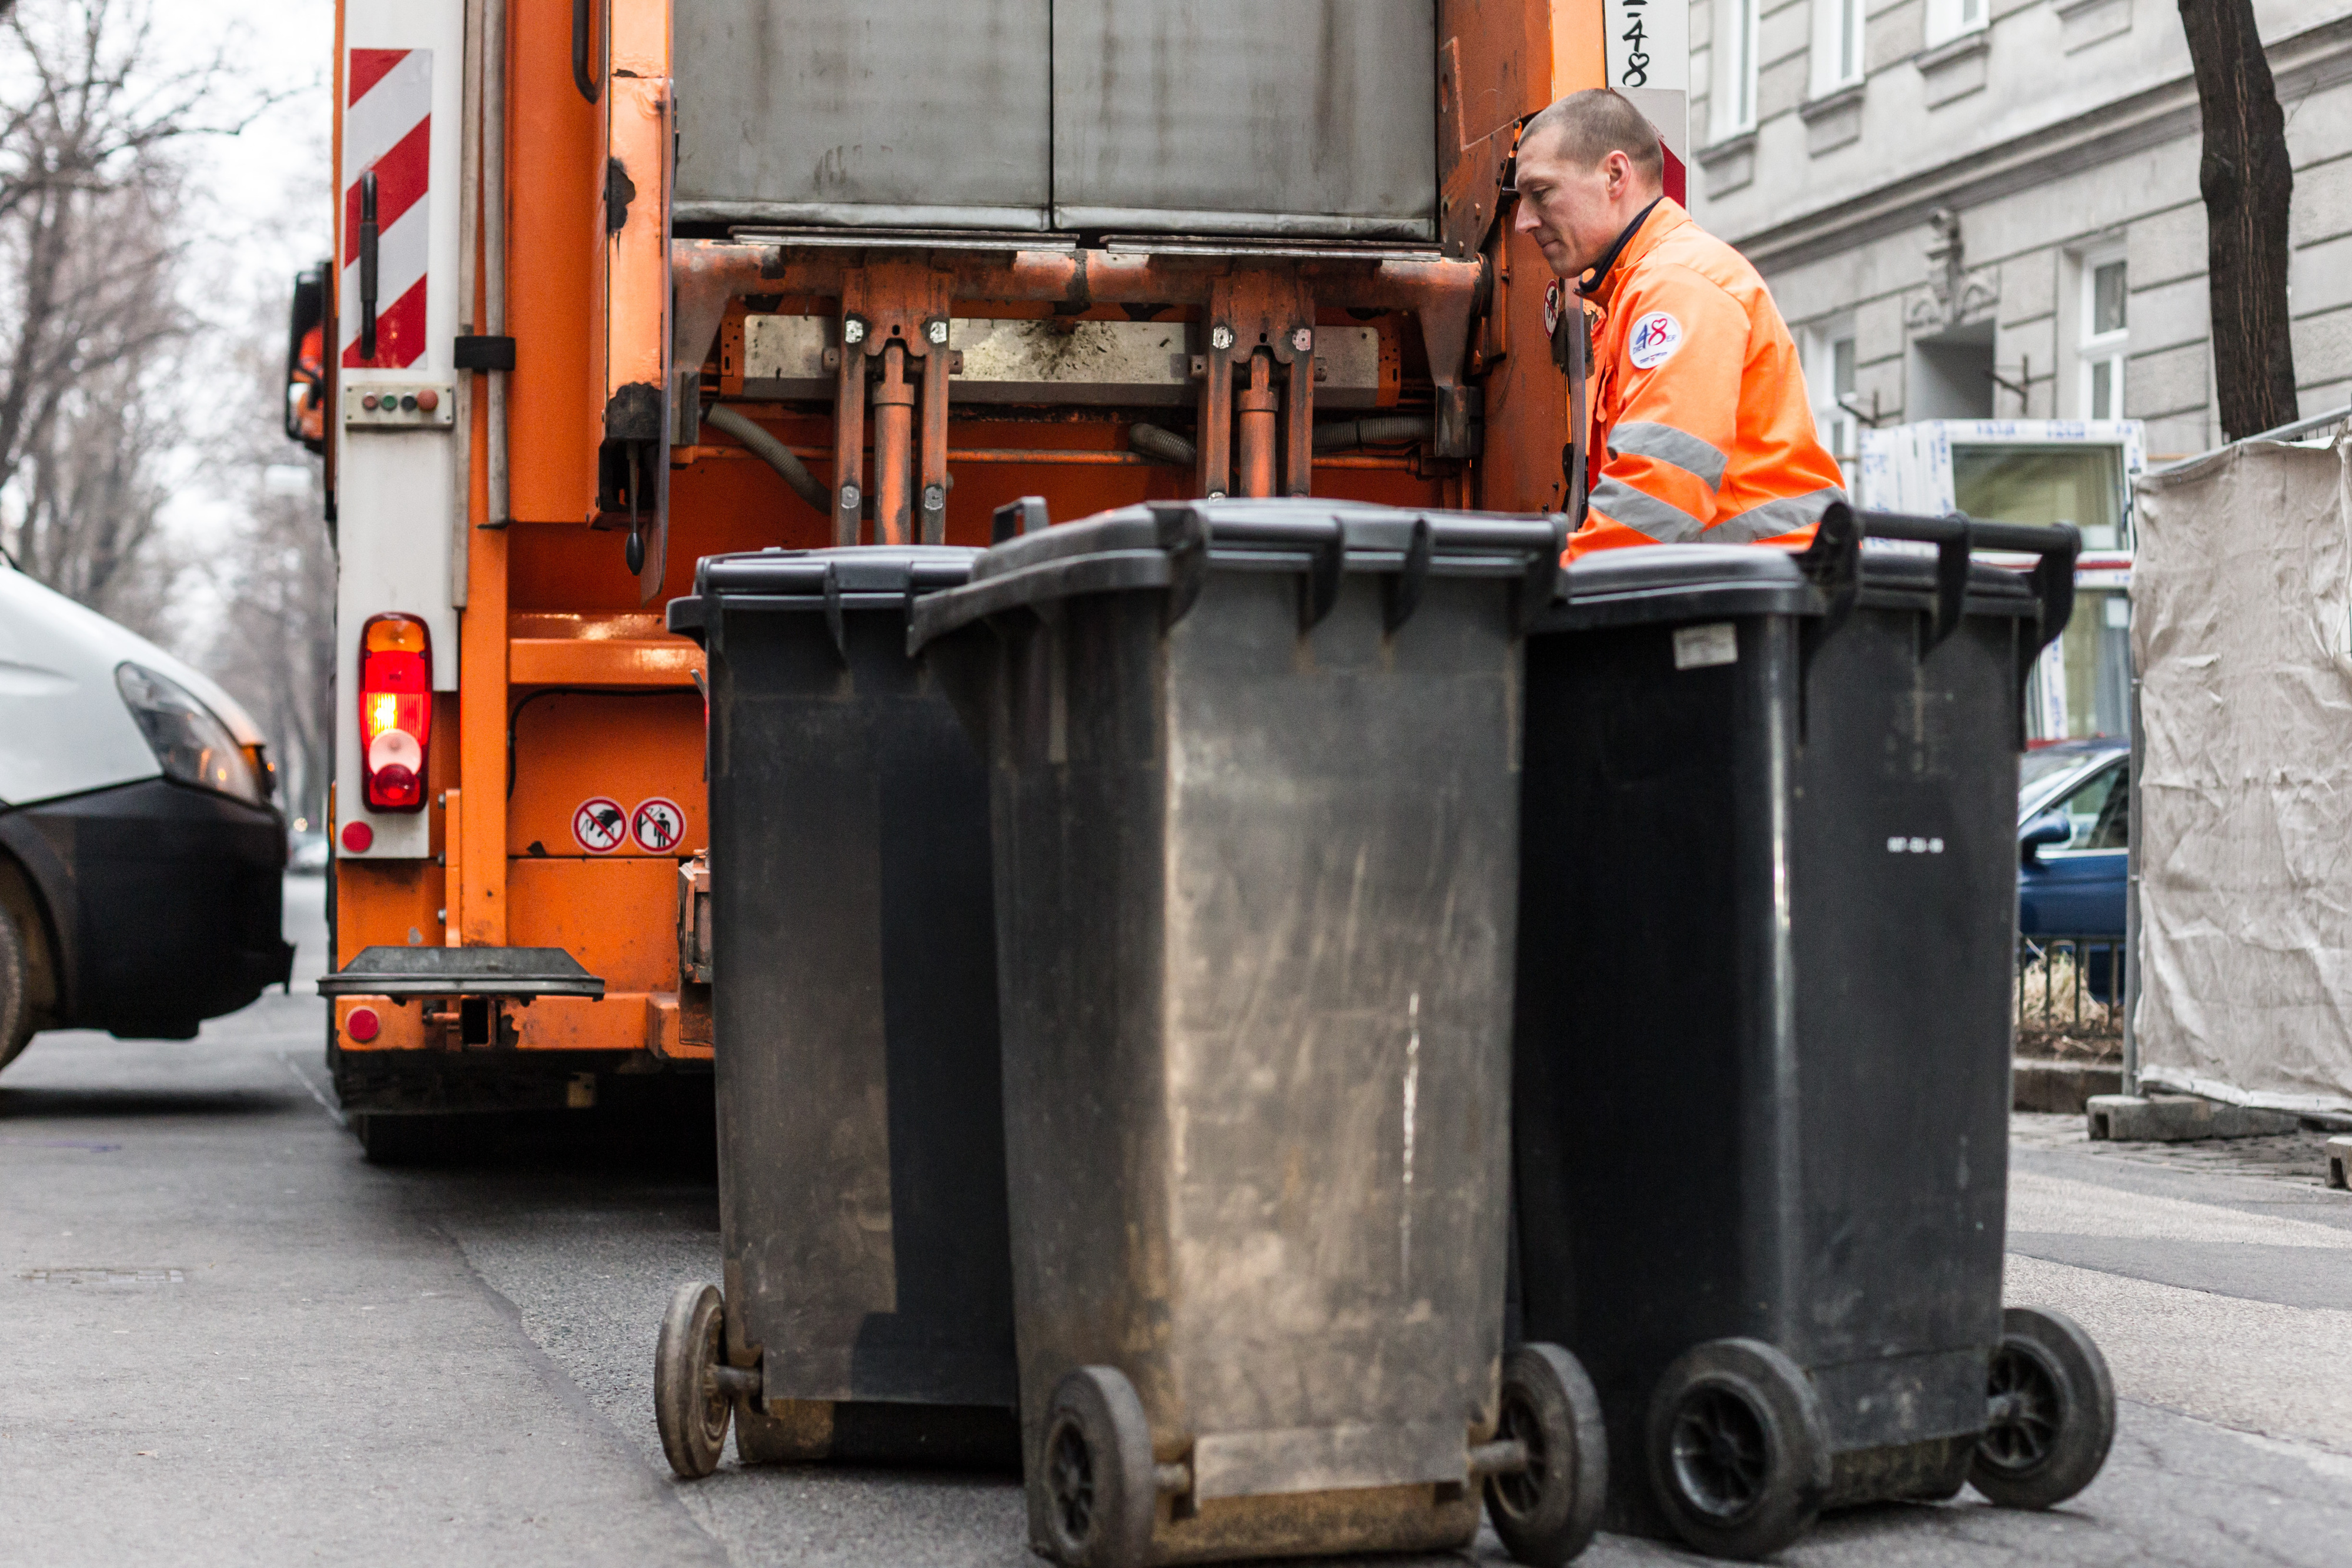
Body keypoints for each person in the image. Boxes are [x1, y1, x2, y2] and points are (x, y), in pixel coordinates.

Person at [1510, 89, 1847, 554]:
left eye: (1540, 193)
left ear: (1615, 174)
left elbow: (1660, 487)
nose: (1523, 222)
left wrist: (1561, 583)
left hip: (1766, 599)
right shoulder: (1647, 287)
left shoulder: (1676, 285)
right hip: (1760, 592)